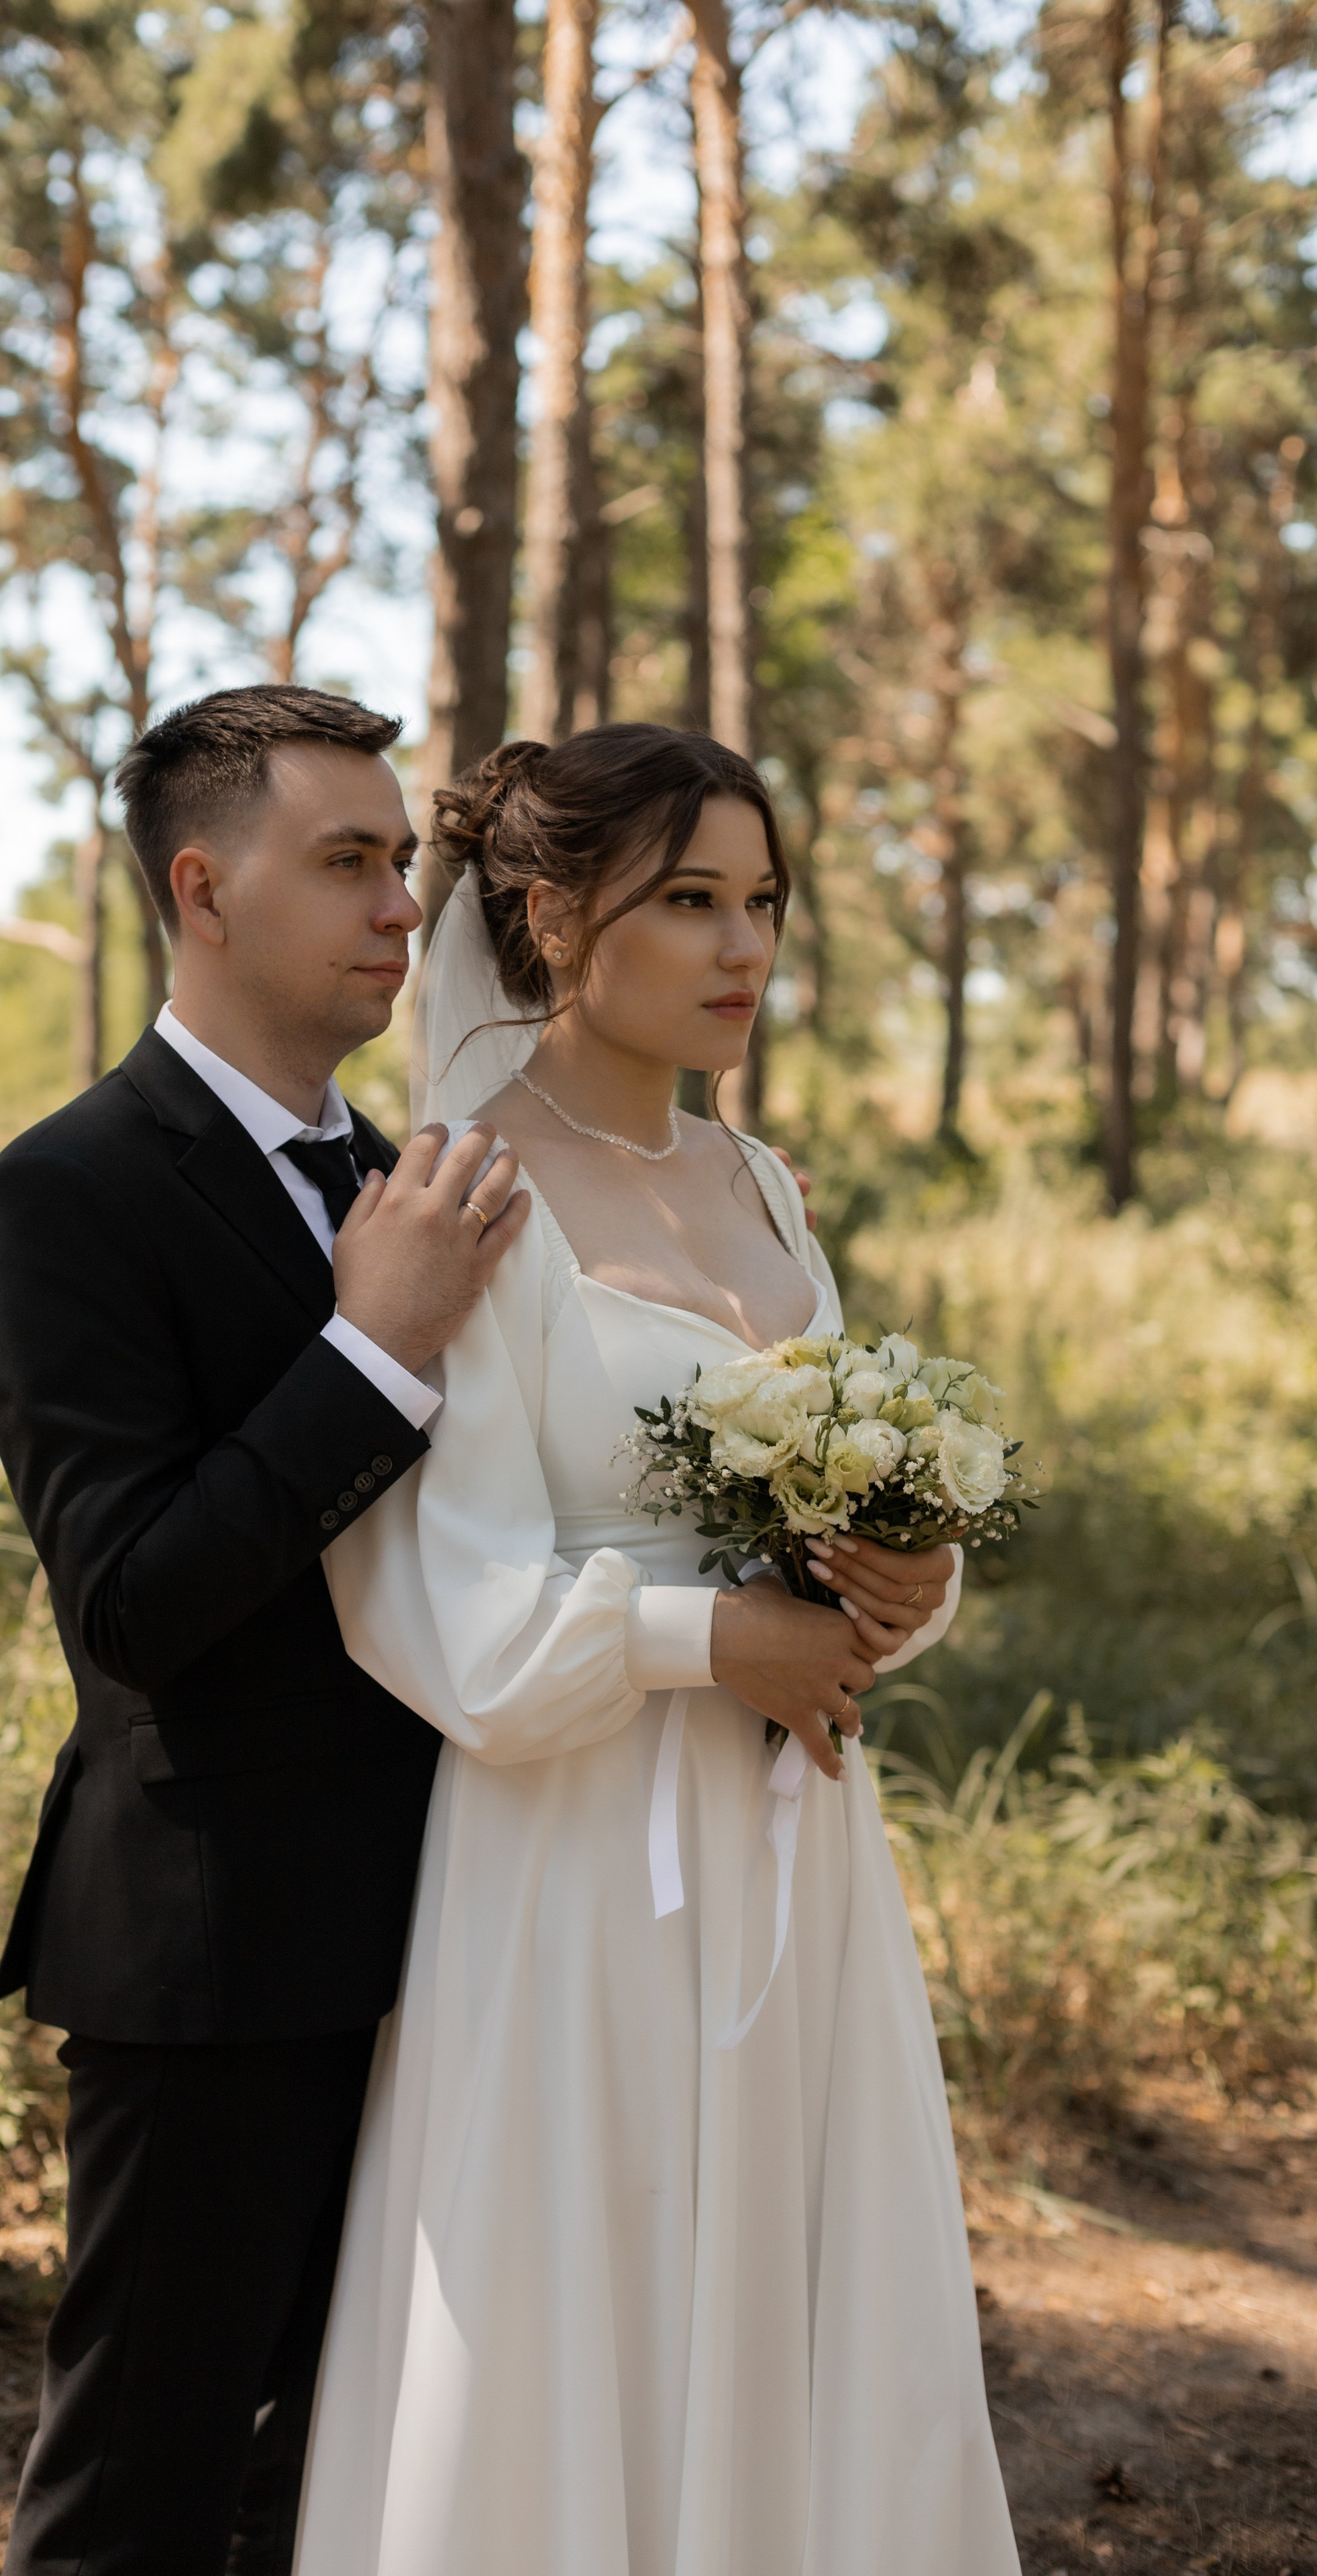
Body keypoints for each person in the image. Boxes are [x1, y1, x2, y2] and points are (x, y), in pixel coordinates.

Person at [301, 725, 1021, 2575]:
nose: (743, 947)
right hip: (573, 1856)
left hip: (794, 1844)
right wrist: (726, 1641)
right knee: (587, 2280)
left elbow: (860, 1519)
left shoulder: (762, 1186)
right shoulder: (464, 1198)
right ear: (548, 913)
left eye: (762, 901)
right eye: (689, 899)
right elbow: (440, 1612)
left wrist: (894, 1583)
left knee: (796, 2285)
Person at [0, 683, 532, 2576]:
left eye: (405, 862)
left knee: (351, 2494)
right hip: (211, 1959)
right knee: (143, 2491)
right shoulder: (68, 1193)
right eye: (348, 861)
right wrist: (373, 1347)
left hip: (457, 1940)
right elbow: (131, 1605)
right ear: (203, 888)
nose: (397, 905)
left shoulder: (413, 1182)